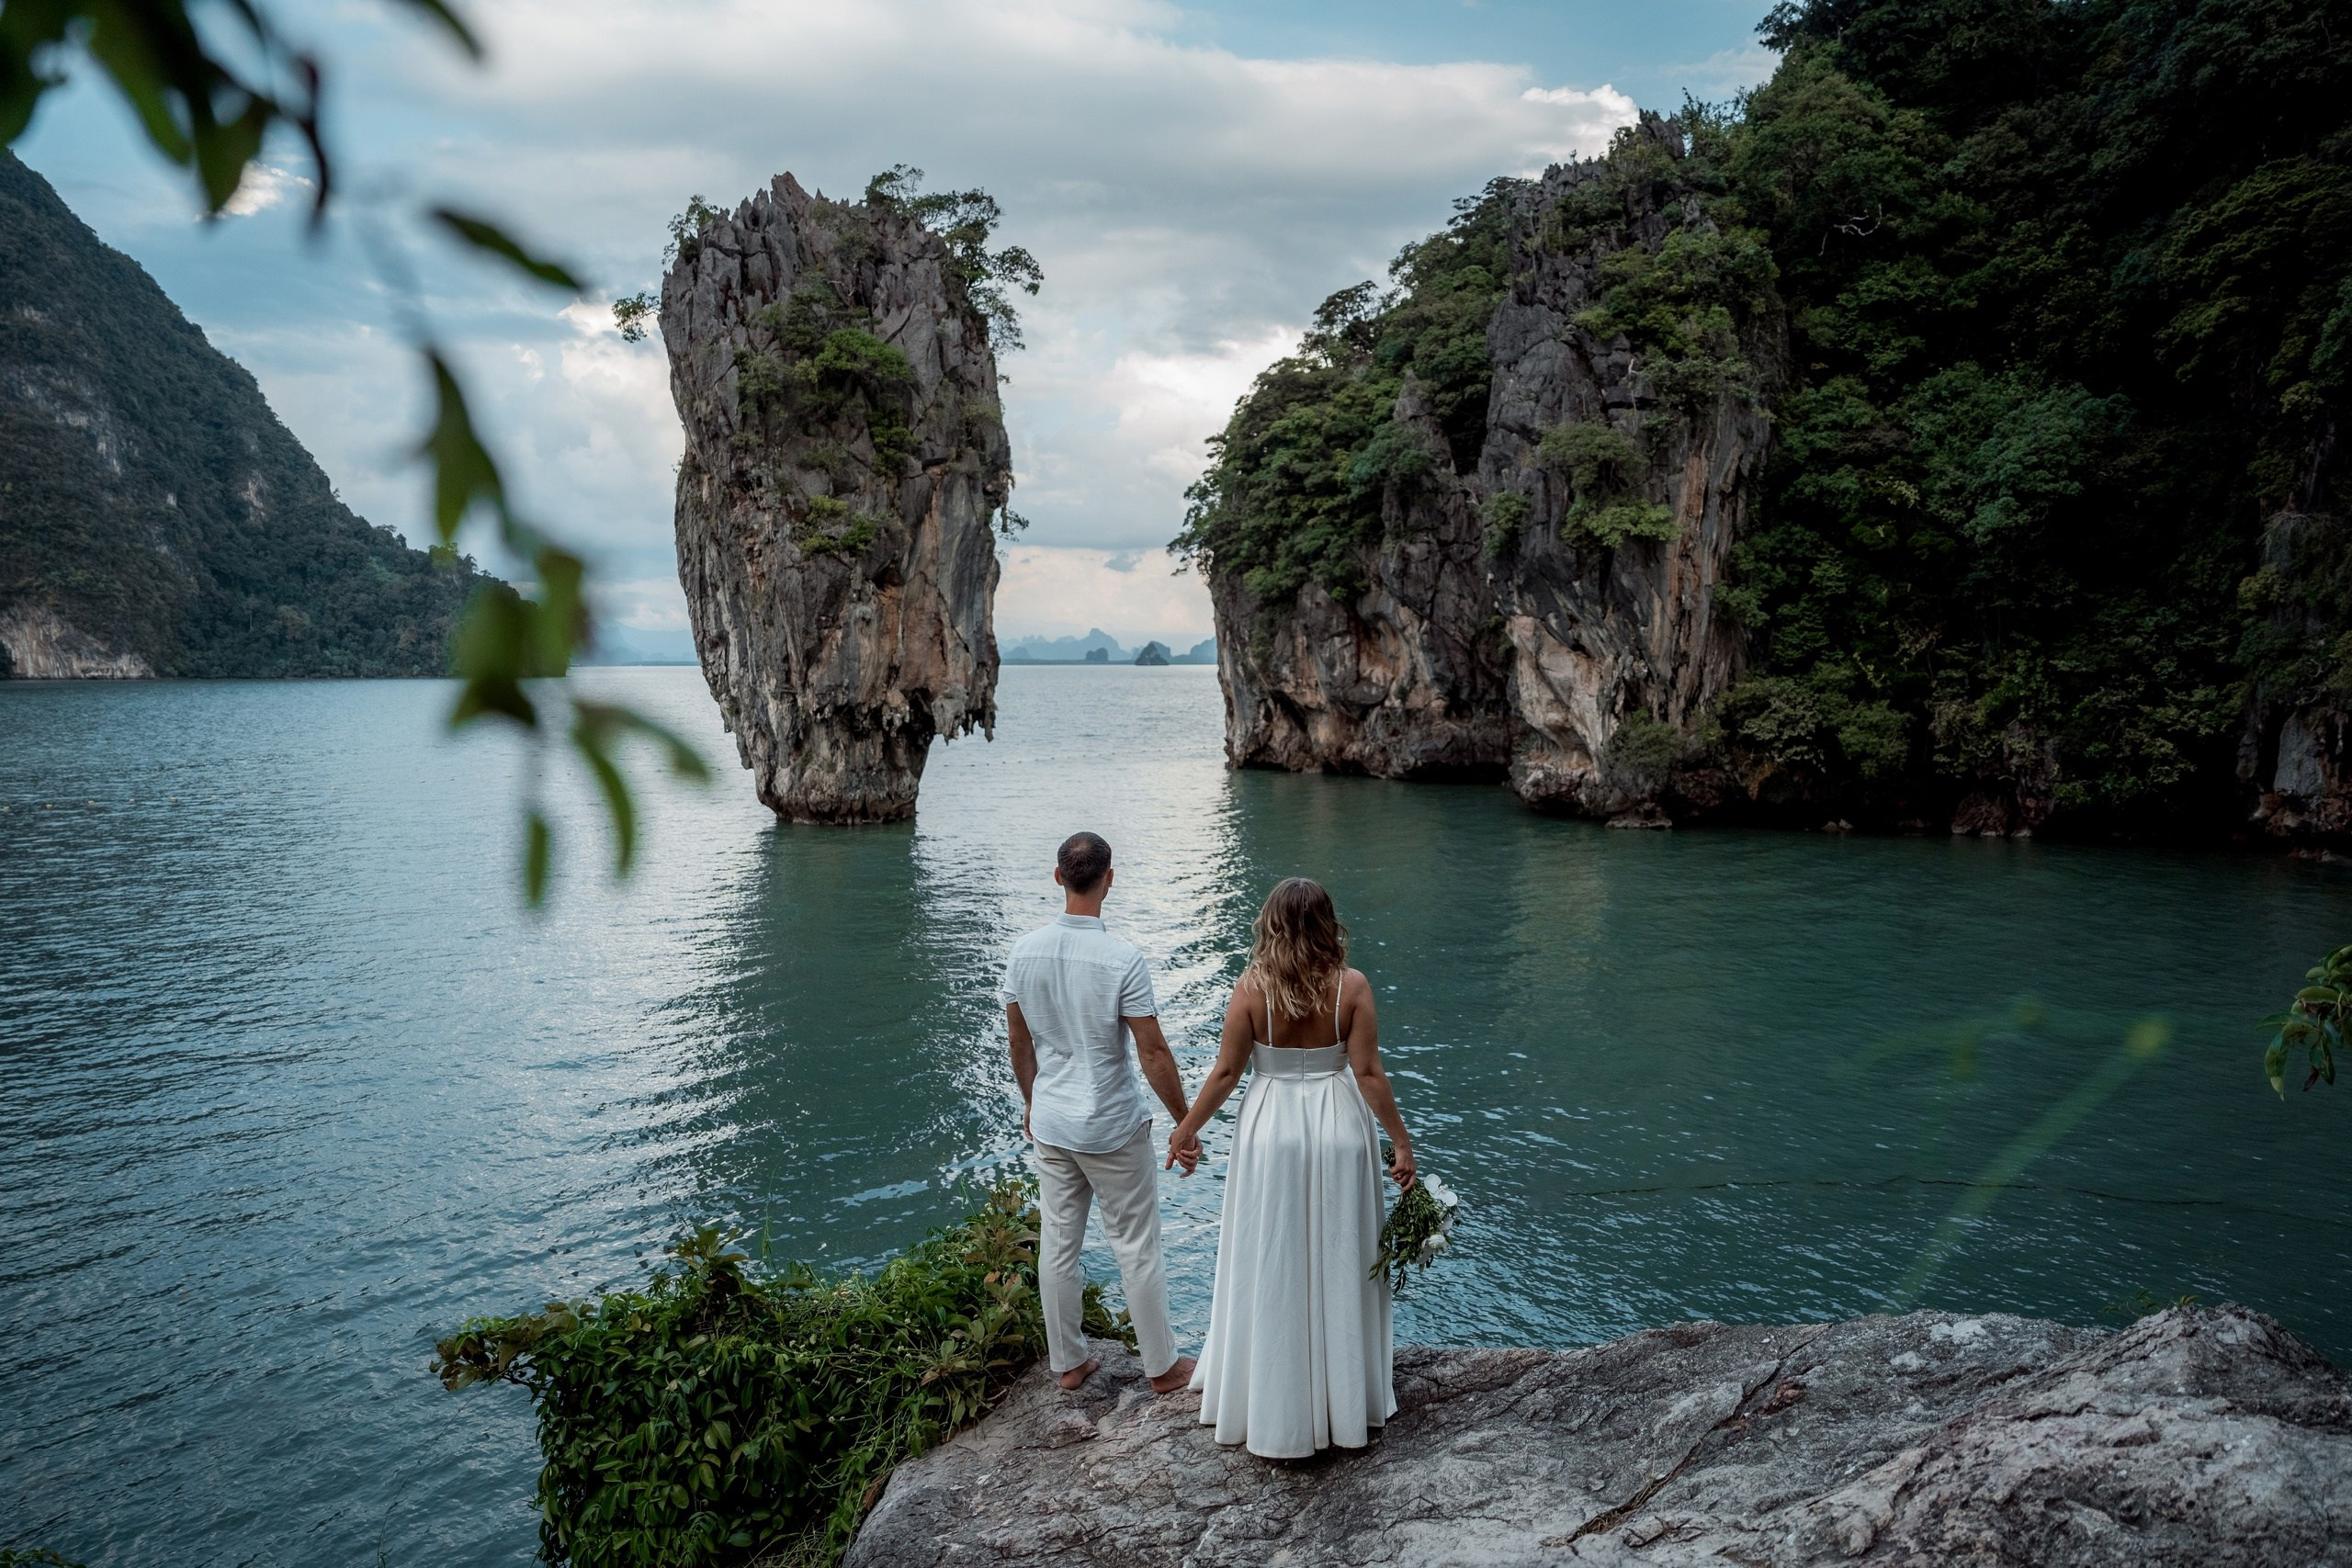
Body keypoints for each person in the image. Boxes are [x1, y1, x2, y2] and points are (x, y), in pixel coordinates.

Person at [1167, 876, 1414, 1458]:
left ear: (1270, 924)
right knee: (1341, 1252)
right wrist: (1401, 1143)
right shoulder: (1351, 987)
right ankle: (1344, 1404)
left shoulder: (1250, 988)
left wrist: (1185, 1130)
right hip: (1338, 1127)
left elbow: (1227, 1074)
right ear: (1330, 924)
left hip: (1271, 1129)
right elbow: (1369, 1073)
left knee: (1270, 1254)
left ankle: (1267, 1403)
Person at [1001, 830, 1198, 1394]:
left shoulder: (1023, 952)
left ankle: (1068, 1363)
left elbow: (1020, 1044)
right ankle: (1161, 1367)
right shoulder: (1122, 960)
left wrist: (1032, 1104)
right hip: (1110, 1125)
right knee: (1135, 1243)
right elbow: (1153, 1051)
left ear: (1058, 876)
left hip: (1054, 1123)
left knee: (1059, 1241)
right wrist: (1184, 1122)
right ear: (1110, 879)